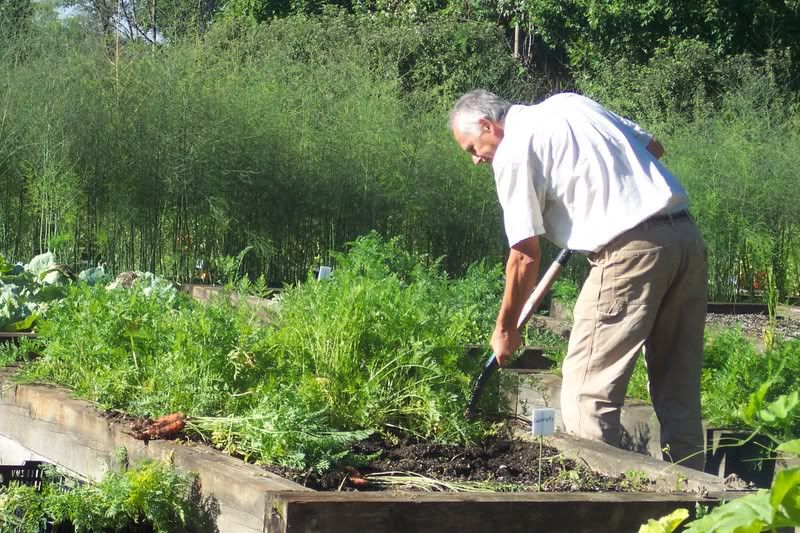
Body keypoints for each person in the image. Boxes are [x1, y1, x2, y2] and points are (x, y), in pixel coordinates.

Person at [450, 89, 707, 471]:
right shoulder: (572, 103)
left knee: (588, 392)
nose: (475, 160)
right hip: (685, 240)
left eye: (472, 147)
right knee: (678, 388)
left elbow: (524, 255)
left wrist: (505, 327)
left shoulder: (514, 150)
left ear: (489, 126)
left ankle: (601, 505)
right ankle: (695, 503)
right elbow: (653, 147)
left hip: (629, 253)